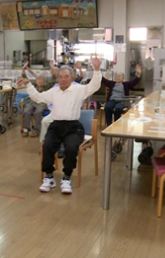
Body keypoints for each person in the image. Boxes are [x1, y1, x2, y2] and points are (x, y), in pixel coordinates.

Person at [17, 55, 102, 195]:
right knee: (47, 146)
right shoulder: (54, 91)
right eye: (60, 76)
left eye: (66, 76)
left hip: (73, 127)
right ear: (58, 79)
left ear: (72, 78)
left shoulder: (78, 90)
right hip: (56, 126)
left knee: (70, 148)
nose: (63, 79)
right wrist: (28, 84)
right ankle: (49, 177)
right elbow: (38, 97)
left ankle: (67, 178)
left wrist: (97, 70)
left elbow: (94, 86)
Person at [20, 61, 56, 137]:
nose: (40, 82)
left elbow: (53, 81)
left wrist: (52, 69)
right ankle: (26, 129)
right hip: (32, 102)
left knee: (38, 112)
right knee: (26, 111)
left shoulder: (46, 86)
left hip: (42, 103)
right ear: (36, 81)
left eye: (41, 80)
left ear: (44, 82)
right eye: (38, 80)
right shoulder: (34, 86)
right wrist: (23, 69)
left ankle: (36, 130)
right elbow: (25, 79)